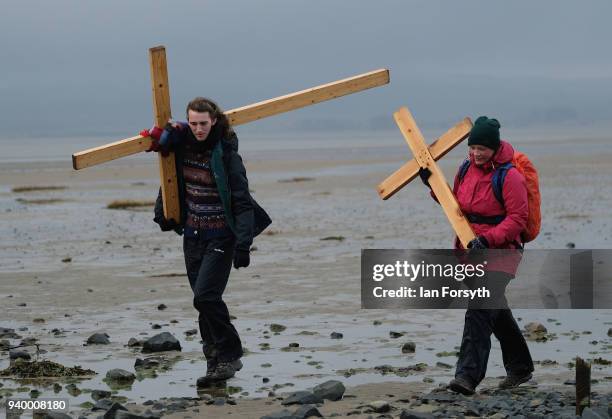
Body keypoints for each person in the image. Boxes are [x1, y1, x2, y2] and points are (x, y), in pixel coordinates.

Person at [143, 97, 271, 385]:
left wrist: (243, 244)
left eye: (203, 123)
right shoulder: (179, 146)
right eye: (193, 123)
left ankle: (230, 353)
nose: (198, 128)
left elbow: (241, 201)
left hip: (221, 235)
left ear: (214, 121)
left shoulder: (226, 155)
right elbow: (168, 180)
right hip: (192, 236)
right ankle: (214, 363)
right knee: (202, 303)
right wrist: (163, 213)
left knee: (206, 296)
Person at [419, 116, 534, 395]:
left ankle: (466, 378)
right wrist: (432, 185)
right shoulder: (465, 169)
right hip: (469, 253)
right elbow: (455, 204)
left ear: (494, 148)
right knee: (495, 311)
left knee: (479, 312)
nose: (475, 153)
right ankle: (520, 366)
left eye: (481, 148)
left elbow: (518, 218)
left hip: (502, 252)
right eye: (472, 148)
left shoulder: (510, 176)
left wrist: (488, 239)